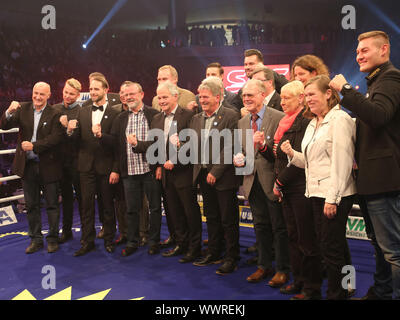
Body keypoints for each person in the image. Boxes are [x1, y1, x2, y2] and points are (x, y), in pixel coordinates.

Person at [329, 30, 400, 300]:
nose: (358, 55)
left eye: (365, 50)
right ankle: (381, 292)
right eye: (357, 51)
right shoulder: (376, 82)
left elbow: (378, 116)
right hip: (373, 180)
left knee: (393, 250)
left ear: (384, 50)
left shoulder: (391, 77)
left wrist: (345, 90)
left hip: (386, 180)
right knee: (381, 247)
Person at [281, 75, 356, 299]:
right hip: (315, 193)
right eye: (306, 95)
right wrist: (292, 155)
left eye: (312, 94)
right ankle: (346, 286)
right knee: (334, 247)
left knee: (332, 250)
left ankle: (338, 294)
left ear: (328, 94)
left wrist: (332, 198)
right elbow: (312, 162)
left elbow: (342, 162)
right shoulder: (314, 122)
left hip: (333, 196)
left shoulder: (339, 119)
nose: (308, 99)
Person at [256, 80, 321, 297]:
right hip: (286, 189)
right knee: (293, 237)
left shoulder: (305, 121)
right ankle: (299, 280)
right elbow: (279, 158)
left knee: (306, 239)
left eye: (287, 98)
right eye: (281, 98)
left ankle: (311, 287)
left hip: (300, 188)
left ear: (301, 98)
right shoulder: (285, 121)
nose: (282, 102)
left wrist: (279, 182)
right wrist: (263, 147)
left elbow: (300, 160)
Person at [135, 81, 202, 263]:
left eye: (165, 97)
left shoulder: (189, 115)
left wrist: (176, 160)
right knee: (174, 212)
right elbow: (154, 146)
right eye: (159, 97)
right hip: (165, 174)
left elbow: (193, 145)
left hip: (185, 173)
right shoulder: (157, 118)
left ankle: (195, 248)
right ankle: (181, 244)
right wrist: (137, 145)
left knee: (190, 212)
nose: (162, 101)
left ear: (175, 96)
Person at [234, 79, 290, 286]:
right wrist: (238, 157)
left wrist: (263, 145)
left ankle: (283, 269)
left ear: (262, 95)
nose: (246, 99)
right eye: (244, 96)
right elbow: (243, 151)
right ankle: (264, 265)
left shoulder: (278, 118)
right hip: (251, 183)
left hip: (274, 183)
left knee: (279, 228)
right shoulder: (241, 122)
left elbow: (282, 156)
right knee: (261, 228)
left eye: (250, 95)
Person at [0, 82, 64, 254]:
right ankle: (35, 239)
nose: (37, 97)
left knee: (52, 205)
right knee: (32, 205)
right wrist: (9, 111)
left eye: (41, 94)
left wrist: (34, 146)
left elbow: (55, 139)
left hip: (48, 165)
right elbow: (3, 125)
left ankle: (52, 239)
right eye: (35, 93)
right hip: (27, 166)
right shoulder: (23, 108)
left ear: (49, 95)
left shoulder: (55, 113)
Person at [102, 81, 162, 256]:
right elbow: (114, 144)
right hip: (130, 171)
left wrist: (157, 164)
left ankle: (153, 241)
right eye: (125, 95)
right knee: (131, 209)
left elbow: (159, 142)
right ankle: (132, 242)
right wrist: (99, 135)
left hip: (150, 169)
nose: (129, 97)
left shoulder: (154, 114)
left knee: (155, 208)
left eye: (132, 94)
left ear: (141, 94)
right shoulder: (121, 118)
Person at [191, 76, 241, 274]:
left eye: (205, 97)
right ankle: (214, 252)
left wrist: (215, 171)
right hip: (203, 174)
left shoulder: (230, 115)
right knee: (211, 216)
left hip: (224, 177)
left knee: (228, 219)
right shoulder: (196, 118)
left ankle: (232, 257)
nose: (201, 100)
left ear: (218, 96)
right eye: (200, 97)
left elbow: (230, 146)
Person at [67, 76, 119, 256]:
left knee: (107, 206)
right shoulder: (83, 111)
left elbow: (116, 142)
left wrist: (100, 136)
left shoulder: (114, 113)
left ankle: (109, 240)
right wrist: (69, 130)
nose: (93, 92)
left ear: (106, 89)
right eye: (91, 89)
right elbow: (75, 140)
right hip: (86, 166)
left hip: (105, 166)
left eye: (97, 89)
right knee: (86, 206)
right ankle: (87, 241)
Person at [53, 78, 83, 243]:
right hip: (60, 162)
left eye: (72, 94)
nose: (68, 96)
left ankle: (87, 232)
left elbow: (81, 138)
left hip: (78, 161)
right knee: (65, 198)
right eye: (66, 92)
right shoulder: (54, 109)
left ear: (78, 95)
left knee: (83, 198)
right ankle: (66, 230)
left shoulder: (82, 111)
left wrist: (67, 129)